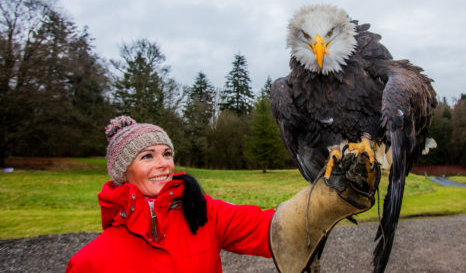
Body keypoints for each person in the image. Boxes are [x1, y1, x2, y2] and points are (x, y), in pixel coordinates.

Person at [67, 116, 378, 273]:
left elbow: (272, 228)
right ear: (122, 172)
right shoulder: (89, 262)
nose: (163, 164)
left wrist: (328, 200)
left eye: (166, 153)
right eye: (147, 156)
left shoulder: (202, 213)